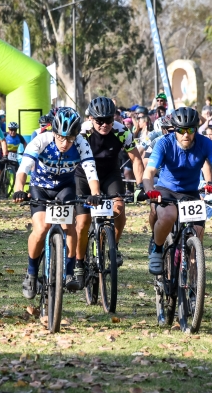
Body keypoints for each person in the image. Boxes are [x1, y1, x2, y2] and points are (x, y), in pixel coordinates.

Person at [12, 107, 101, 298]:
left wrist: (95, 193)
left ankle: (68, 272)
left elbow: (90, 171)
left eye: (69, 138)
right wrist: (19, 188)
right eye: (61, 137)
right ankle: (31, 272)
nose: (64, 143)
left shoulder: (81, 143)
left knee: (70, 226)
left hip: (65, 187)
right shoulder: (41, 140)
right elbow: (24, 168)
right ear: (54, 132)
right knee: (42, 228)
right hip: (40, 187)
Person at [143, 107, 212, 275]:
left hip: (191, 192)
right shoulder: (164, 143)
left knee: (198, 232)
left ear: (196, 129)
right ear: (175, 129)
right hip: (166, 189)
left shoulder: (205, 143)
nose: (186, 134)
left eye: (190, 130)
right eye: (181, 130)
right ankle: (157, 250)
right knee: (168, 216)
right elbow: (149, 172)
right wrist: (150, 190)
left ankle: (193, 278)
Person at [74, 97, 145, 285]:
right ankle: (79, 263)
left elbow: (136, 159)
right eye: (100, 121)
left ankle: (112, 247)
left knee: (119, 209)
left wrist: (142, 185)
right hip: (83, 176)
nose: (105, 124)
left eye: (109, 120)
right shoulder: (82, 132)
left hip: (109, 174)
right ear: (90, 118)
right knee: (82, 223)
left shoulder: (122, 131)